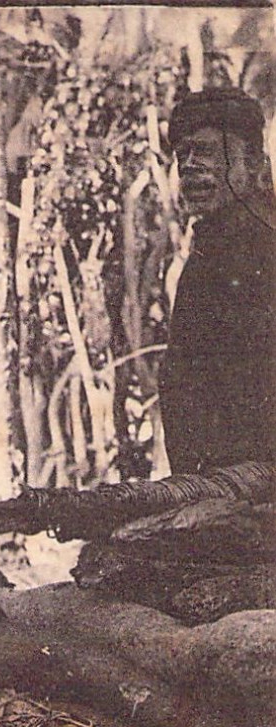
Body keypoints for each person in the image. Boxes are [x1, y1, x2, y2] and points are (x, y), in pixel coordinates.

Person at [157, 87, 276, 475]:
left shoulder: (257, 243)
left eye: (205, 151)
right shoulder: (212, 245)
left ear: (255, 162)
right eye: (182, 155)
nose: (189, 166)